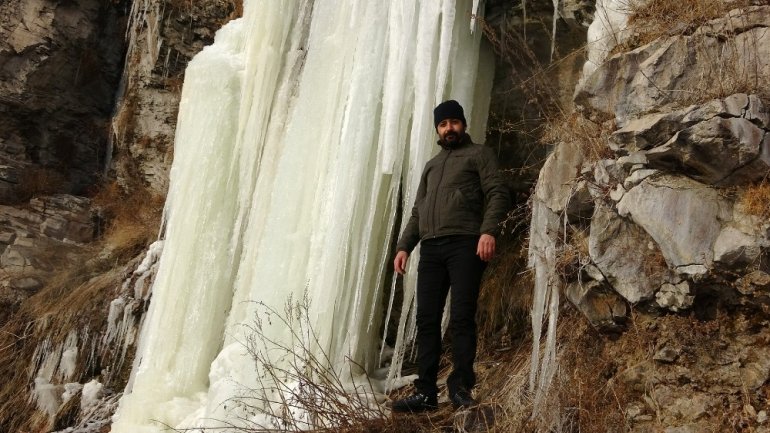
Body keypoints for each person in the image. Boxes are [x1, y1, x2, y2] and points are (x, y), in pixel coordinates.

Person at [390, 100, 509, 412]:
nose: (449, 128)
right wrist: (404, 246)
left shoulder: (479, 154)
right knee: (426, 319)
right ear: (437, 130)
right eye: (443, 124)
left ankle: (460, 387)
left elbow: (497, 191)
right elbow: (418, 211)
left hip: (465, 243)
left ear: (463, 125)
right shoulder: (432, 165)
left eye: (454, 122)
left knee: (460, 316)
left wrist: (488, 231)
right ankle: (426, 392)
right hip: (430, 247)